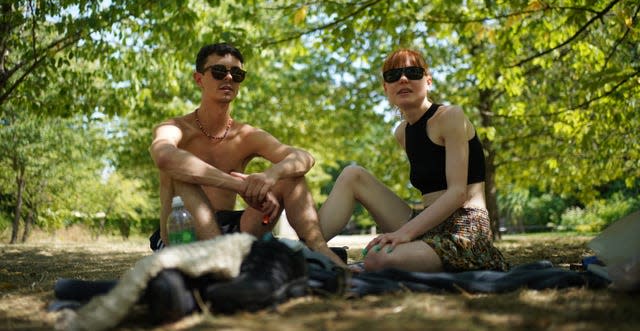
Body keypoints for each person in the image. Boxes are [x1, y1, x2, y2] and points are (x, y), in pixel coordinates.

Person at [149, 42, 346, 267]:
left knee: (291, 174)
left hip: (233, 229)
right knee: (177, 172)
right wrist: (240, 186)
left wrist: (269, 177)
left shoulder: (245, 134)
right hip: (181, 231)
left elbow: (304, 158)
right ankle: (225, 260)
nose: (229, 78)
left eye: (237, 73)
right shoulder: (175, 127)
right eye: (219, 71)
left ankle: (322, 253)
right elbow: (164, 156)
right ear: (199, 79)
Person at [318, 48, 508, 273]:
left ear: (428, 81)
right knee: (353, 174)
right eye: (393, 76)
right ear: (386, 88)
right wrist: (408, 232)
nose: (403, 79)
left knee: (377, 258)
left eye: (413, 72)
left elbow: (458, 194)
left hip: (464, 229)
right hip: (426, 223)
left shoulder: (450, 116)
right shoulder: (402, 132)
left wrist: (403, 234)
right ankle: (308, 246)